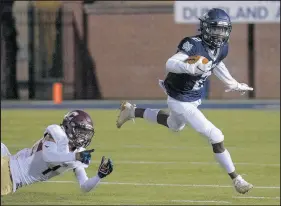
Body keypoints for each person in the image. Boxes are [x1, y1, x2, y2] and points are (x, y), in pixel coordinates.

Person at [116, 8, 253, 194]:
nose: (219, 34)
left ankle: (132, 111)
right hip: (179, 98)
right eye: (215, 29)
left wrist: (233, 84)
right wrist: (189, 67)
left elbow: (216, 63)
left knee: (174, 125)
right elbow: (170, 63)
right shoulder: (193, 44)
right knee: (216, 136)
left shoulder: (222, 48)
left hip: (193, 97)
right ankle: (237, 179)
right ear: (205, 28)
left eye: (223, 30)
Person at [1, 110, 113, 196]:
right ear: (69, 127)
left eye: (86, 134)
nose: (84, 137)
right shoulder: (58, 134)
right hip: (7, 166)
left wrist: (99, 176)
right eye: (81, 132)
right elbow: (48, 157)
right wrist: (76, 156)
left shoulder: (78, 153)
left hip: (9, 178)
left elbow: (84, 186)